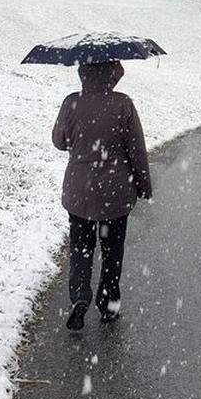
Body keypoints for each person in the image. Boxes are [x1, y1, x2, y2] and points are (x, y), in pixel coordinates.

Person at [52, 60, 151, 328]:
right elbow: (137, 150)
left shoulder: (71, 102)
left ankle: (79, 298)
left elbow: (59, 142)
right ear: (113, 74)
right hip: (115, 193)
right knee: (112, 251)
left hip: (79, 191)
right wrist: (144, 185)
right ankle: (108, 304)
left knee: (81, 248)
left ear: (83, 71)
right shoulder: (123, 104)